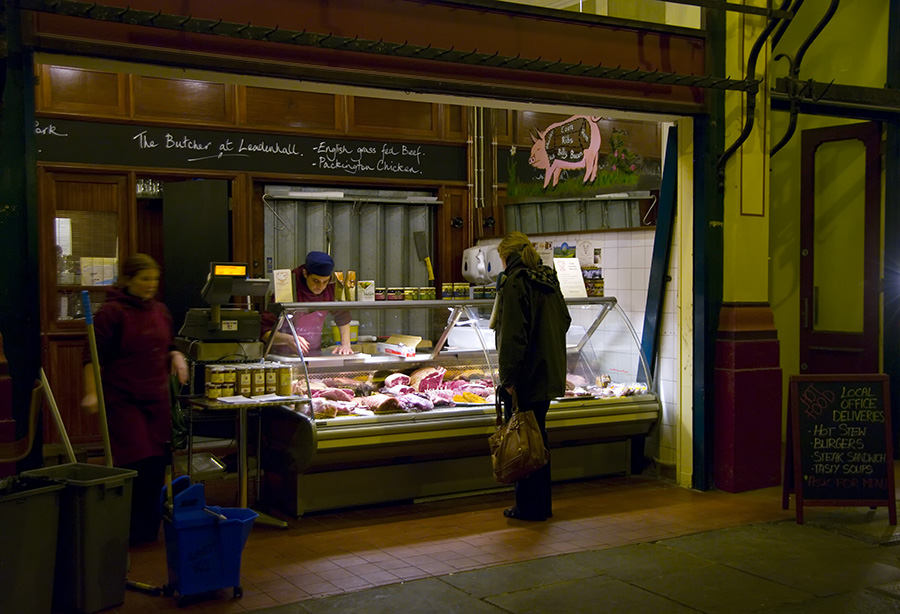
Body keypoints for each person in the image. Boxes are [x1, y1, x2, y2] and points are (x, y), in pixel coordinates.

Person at [81, 254, 189, 544]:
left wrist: (176, 355)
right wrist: (92, 392)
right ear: (128, 280)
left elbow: (168, 345)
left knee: (156, 464)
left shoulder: (160, 310)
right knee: (136, 461)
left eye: (154, 279)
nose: (151, 284)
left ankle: (145, 532)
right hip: (124, 399)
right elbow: (92, 357)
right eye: (144, 279)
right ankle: (125, 531)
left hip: (156, 399)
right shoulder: (111, 313)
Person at [491, 232, 571, 521]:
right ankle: (541, 504)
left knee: (525, 439)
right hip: (547, 371)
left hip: (525, 374)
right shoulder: (548, 279)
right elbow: (565, 320)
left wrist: (508, 379)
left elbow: (514, 335)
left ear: (506, 256)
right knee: (538, 437)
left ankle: (528, 507)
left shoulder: (516, 282)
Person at [260, 251, 354, 355]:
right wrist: (288, 339)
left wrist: (345, 344)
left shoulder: (330, 287)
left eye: (325, 282)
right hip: (283, 355)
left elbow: (342, 314)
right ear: (305, 273)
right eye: (316, 281)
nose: (321, 287)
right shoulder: (289, 287)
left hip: (314, 354)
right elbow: (264, 332)